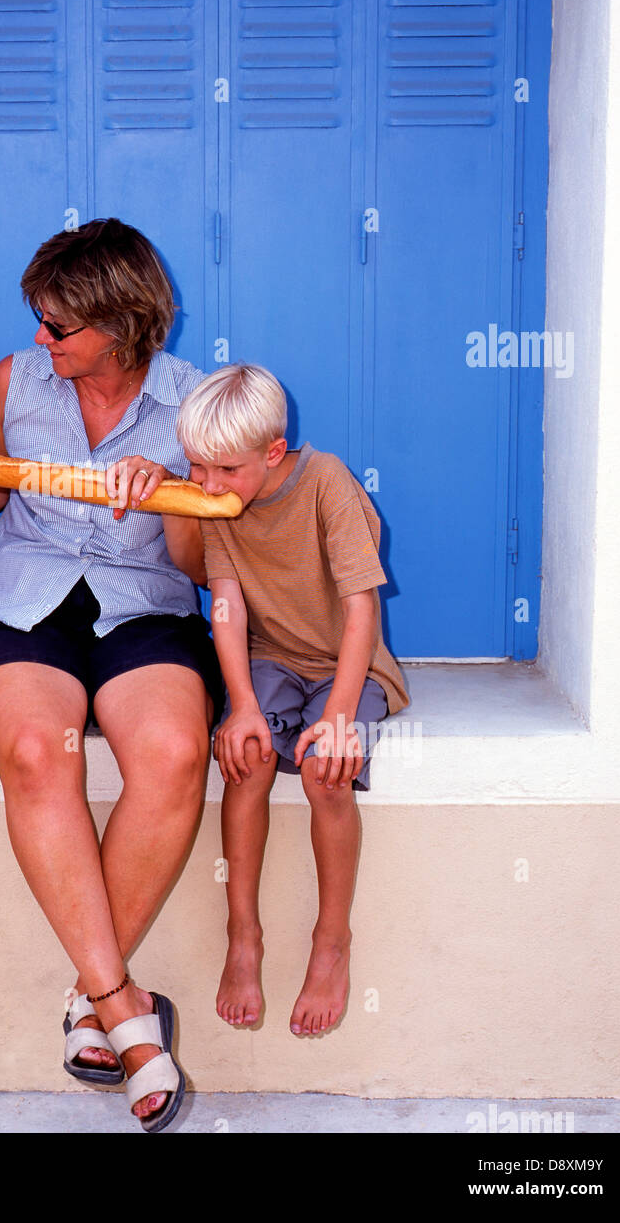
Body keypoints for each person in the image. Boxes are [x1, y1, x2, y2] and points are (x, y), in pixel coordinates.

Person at [0, 219, 223, 1131]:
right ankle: (124, 1009)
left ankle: (88, 998)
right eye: (38, 320)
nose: (43, 339)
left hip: (142, 605)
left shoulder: (192, 402)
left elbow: (197, 564)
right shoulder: (14, 376)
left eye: (60, 327)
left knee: (172, 751)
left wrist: (170, 488)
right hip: (20, 602)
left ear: (119, 322)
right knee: (38, 749)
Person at [175, 363, 409, 1035]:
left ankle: (330, 941)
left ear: (272, 453)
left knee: (323, 772)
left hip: (346, 664)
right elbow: (225, 605)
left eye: (224, 471)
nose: (208, 486)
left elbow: (360, 610)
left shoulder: (325, 482)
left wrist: (337, 719)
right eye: (196, 468)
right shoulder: (217, 499)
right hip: (269, 661)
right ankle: (242, 934)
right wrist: (242, 703)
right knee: (244, 757)